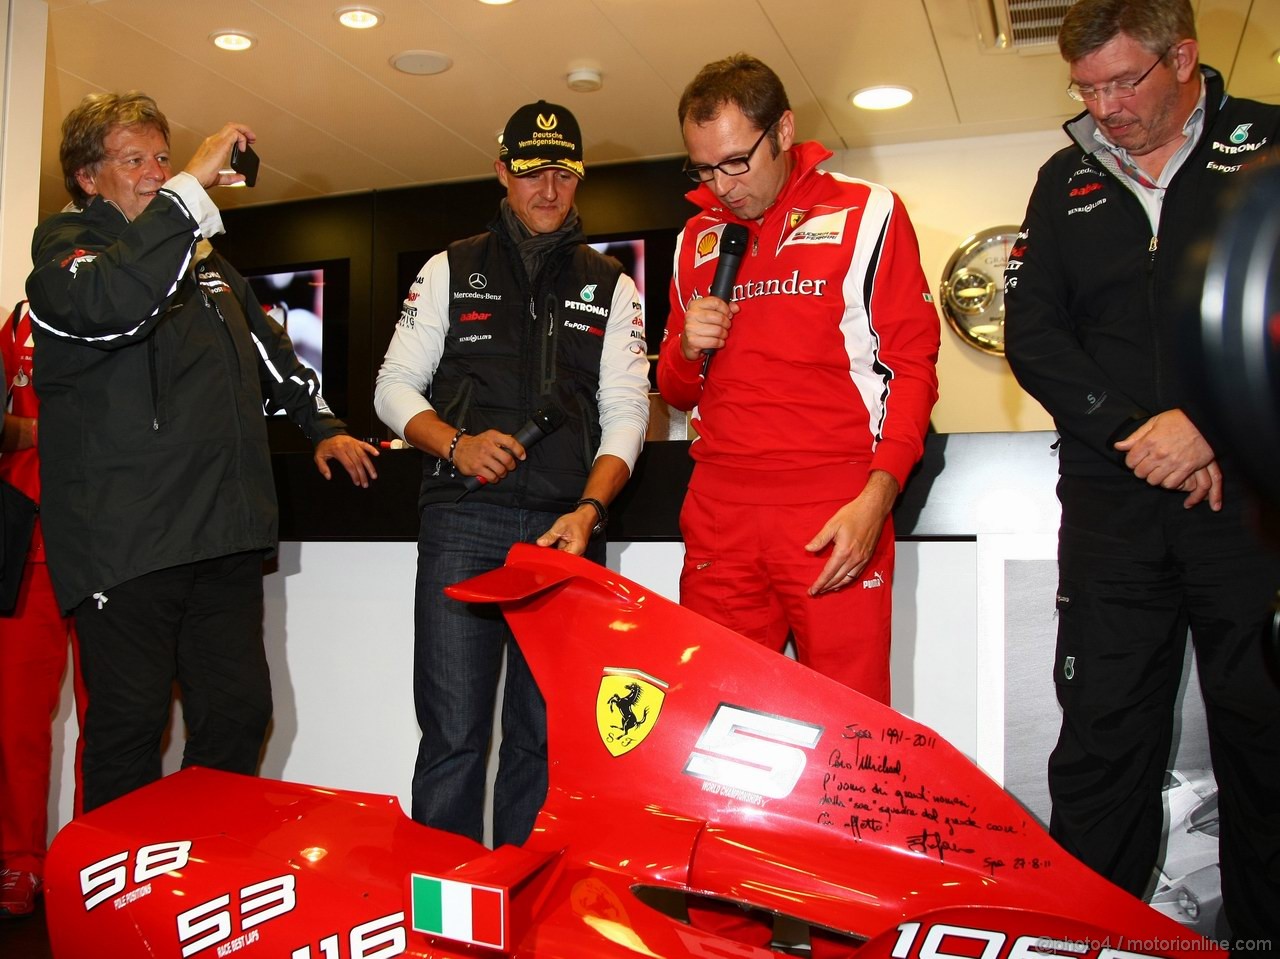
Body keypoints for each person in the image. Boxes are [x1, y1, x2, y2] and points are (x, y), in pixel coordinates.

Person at [1003, 0, 1280, 940]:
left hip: (1251, 500)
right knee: (1101, 740)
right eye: (1086, 87)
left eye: (1125, 81)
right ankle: (1100, 938)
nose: (1105, 106)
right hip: (1114, 507)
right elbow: (1033, 335)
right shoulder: (1063, 177)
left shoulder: (1269, 145)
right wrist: (1138, 434)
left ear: (1185, 57)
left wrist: (1211, 423)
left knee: (1265, 735)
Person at [24, 92, 379, 814]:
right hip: (125, 542)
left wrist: (323, 426)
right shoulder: (66, 255)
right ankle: (109, 910)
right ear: (89, 178)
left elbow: (274, 356)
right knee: (129, 726)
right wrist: (188, 193)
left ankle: (200, 890)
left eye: (162, 157)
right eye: (135, 160)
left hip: (221, 536)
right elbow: (118, 303)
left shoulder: (208, 267)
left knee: (239, 713)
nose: (156, 172)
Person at [374, 100, 649, 847]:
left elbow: (628, 411)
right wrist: (455, 443)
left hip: (567, 529)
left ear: (580, 178)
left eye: (564, 172)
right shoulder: (449, 268)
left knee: (543, 737)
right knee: (456, 731)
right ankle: (442, 915)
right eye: (533, 172)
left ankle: (522, 907)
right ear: (504, 172)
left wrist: (590, 512)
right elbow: (393, 386)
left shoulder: (613, 285)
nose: (549, 190)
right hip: (463, 519)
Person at [656, 54, 939, 705]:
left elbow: (912, 368)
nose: (722, 185)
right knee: (710, 718)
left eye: (736, 160)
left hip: (831, 507)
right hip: (720, 513)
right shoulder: (694, 240)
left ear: (783, 130)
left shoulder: (870, 213)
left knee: (850, 728)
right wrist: (685, 351)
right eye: (703, 167)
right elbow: (677, 390)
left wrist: (876, 500)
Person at [0, 301, 86, 920]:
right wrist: (27, 433)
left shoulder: (139, 307)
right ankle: (17, 862)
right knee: (15, 721)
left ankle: (92, 866)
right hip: (25, 543)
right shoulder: (16, 324)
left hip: (108, 545)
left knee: (113, 720)